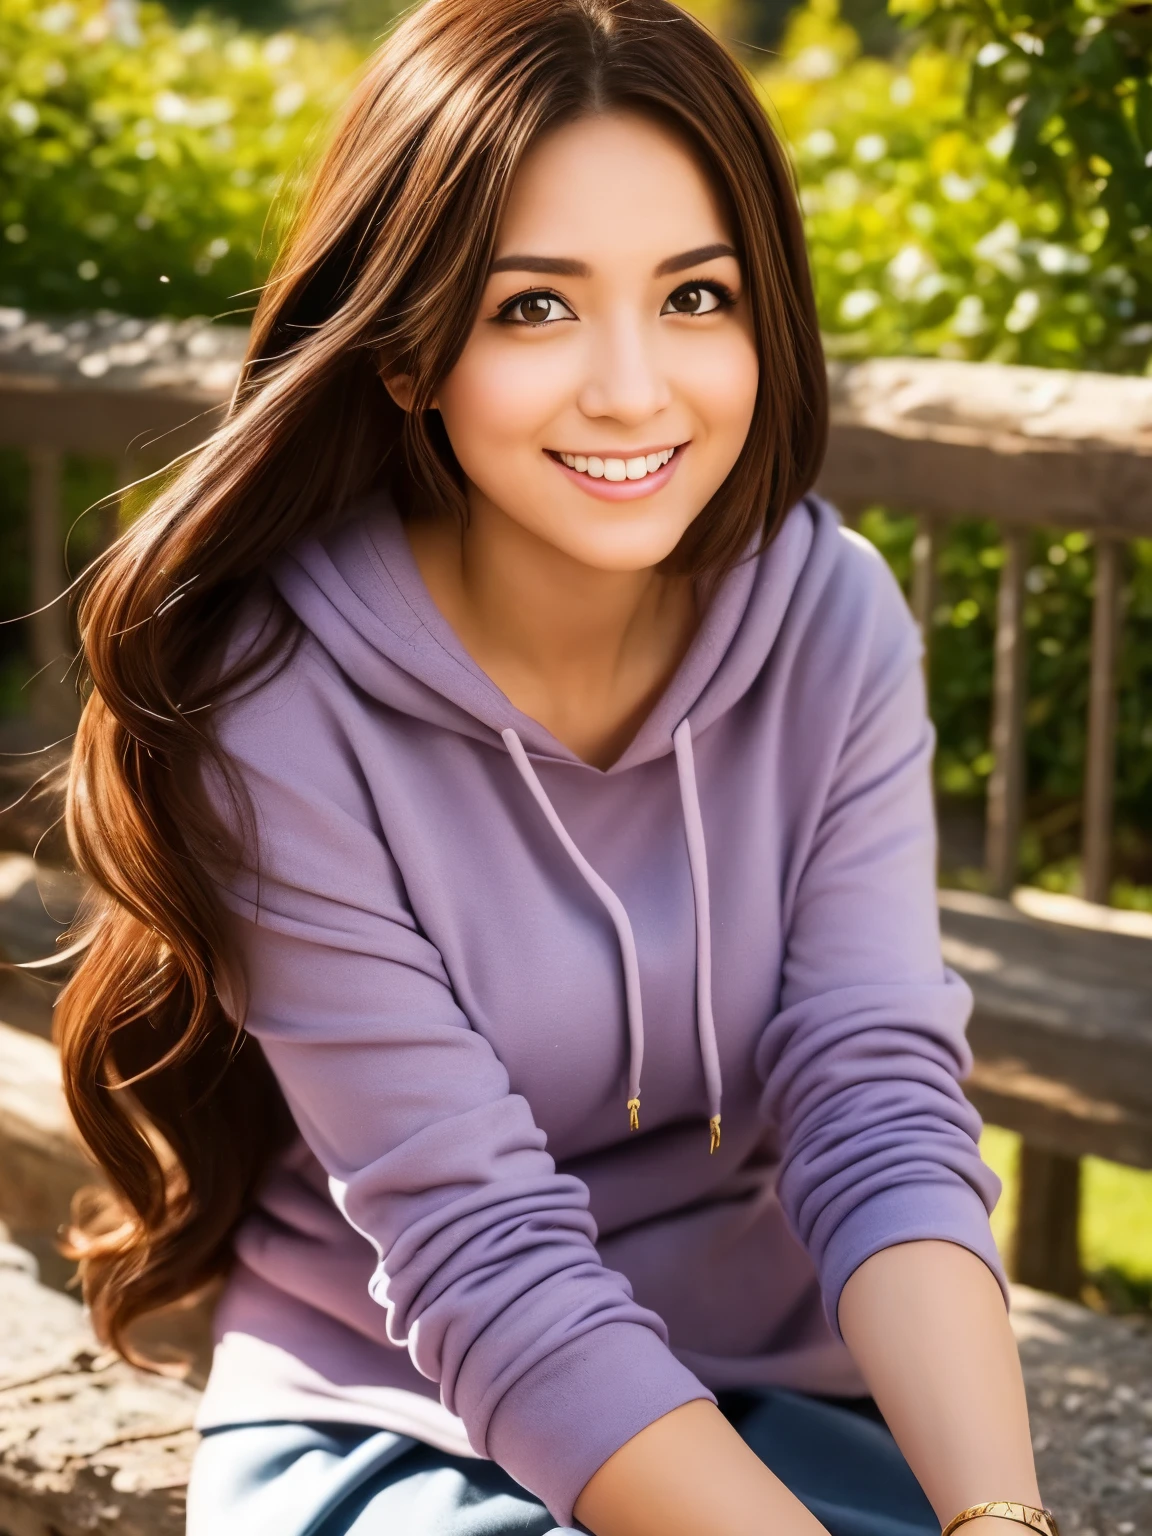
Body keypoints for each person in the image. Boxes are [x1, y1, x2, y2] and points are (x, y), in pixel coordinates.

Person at [56, 2, 1059, 1534]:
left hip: (790, 1377)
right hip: (399, 1397)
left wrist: (1002, 1520)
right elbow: (476, 1245)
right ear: (406, 351)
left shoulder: (830, 618)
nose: (632, 389)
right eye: (535, 309)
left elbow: (876, 1097)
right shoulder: (272, 699)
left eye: (696, 296)